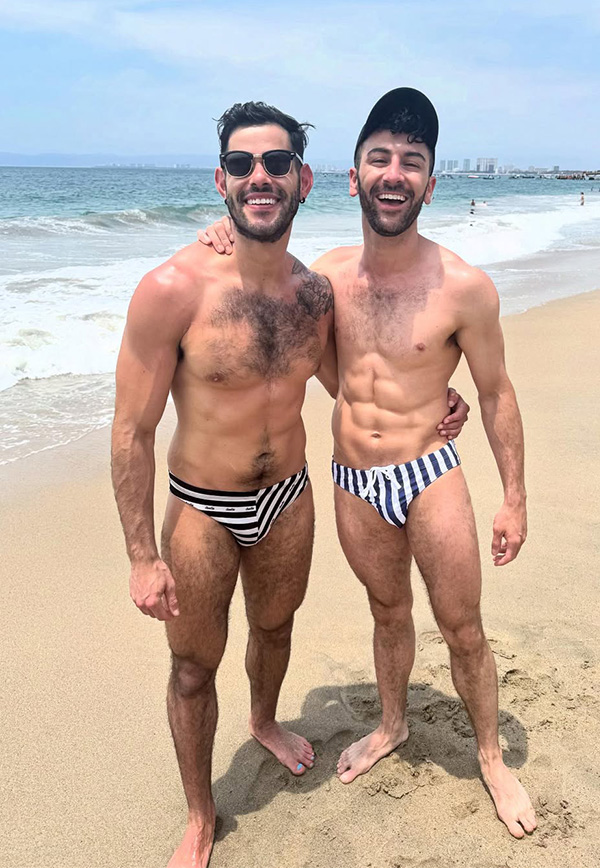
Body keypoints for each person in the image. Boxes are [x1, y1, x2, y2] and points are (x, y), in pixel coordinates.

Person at [112, 100, 467, 868]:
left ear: (304, 180)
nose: (260, 177)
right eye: (242, 165)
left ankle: (264, 719)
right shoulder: (171, 289)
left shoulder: (316, 295)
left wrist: (434, 401)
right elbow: (131, 431)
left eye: (276, 164)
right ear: (221, 181)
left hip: (288, 499)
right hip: (203, 508)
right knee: (191, 667)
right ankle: (201, 815)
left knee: (275, 630)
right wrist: (142, 555)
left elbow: (361, 378)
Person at [200, 88, 537, 840]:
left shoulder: (464, 288)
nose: (394, 173)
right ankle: (392, 724)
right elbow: (287, 319)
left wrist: (514, 498)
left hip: (428, 471)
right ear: (353, 177)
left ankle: (491, 758)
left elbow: (495, 392)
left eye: (411, 162)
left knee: (462, 625)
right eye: (379, 158)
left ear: (430, 183)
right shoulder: (323, 279)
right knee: (387, 611)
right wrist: (218, 233)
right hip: (354, 478)